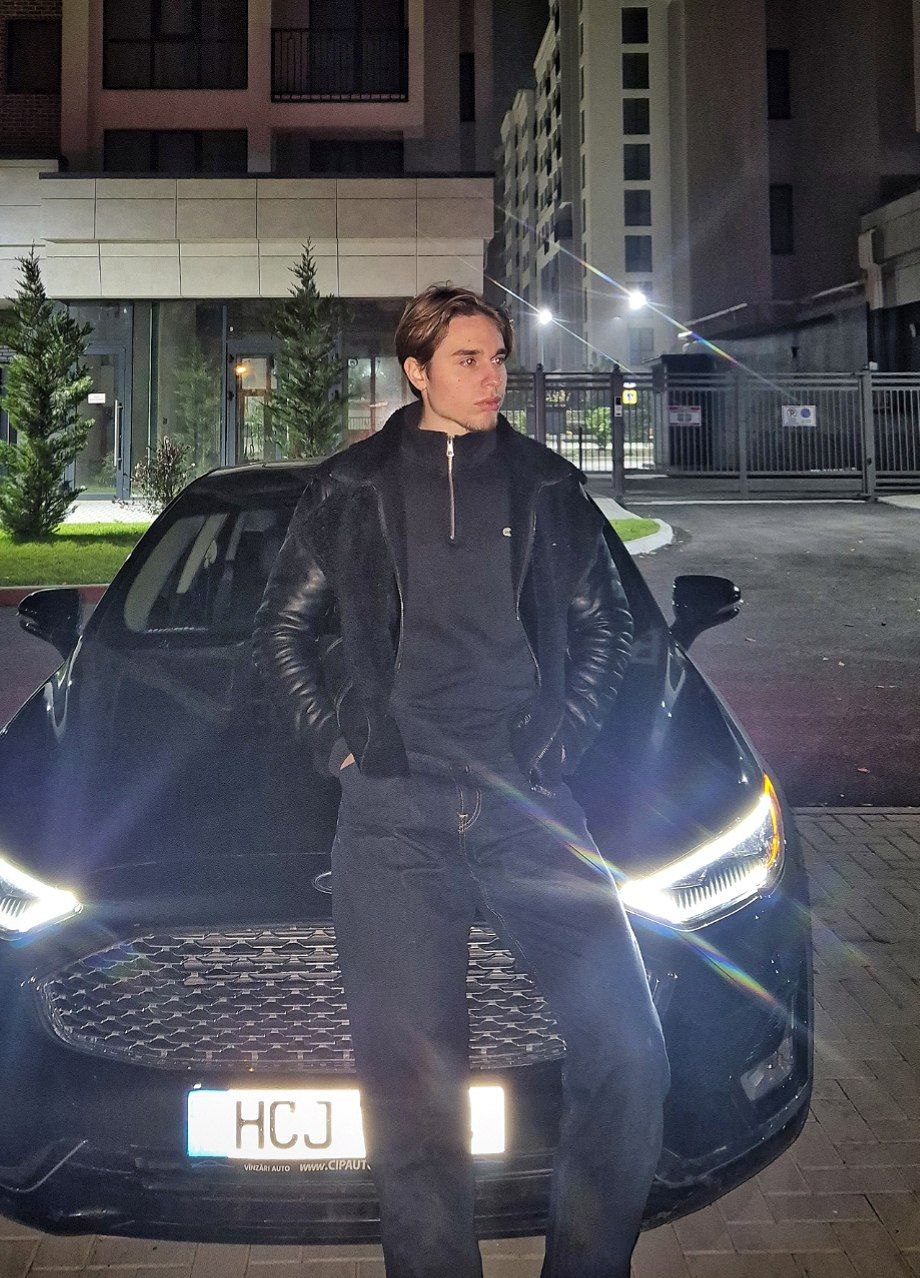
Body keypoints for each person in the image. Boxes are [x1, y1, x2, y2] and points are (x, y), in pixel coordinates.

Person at [254, 284, 671, 1278]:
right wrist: (340, 749)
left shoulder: (544, 485)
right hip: (394, 820)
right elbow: (281, 630)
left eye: (499, 358)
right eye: (468, 360)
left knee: (629, 1054)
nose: (493, 379)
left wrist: (560, 744)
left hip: (530, 812)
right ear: (416, 371)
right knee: (414, 1104)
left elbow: (611, 623)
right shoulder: (352, 486)